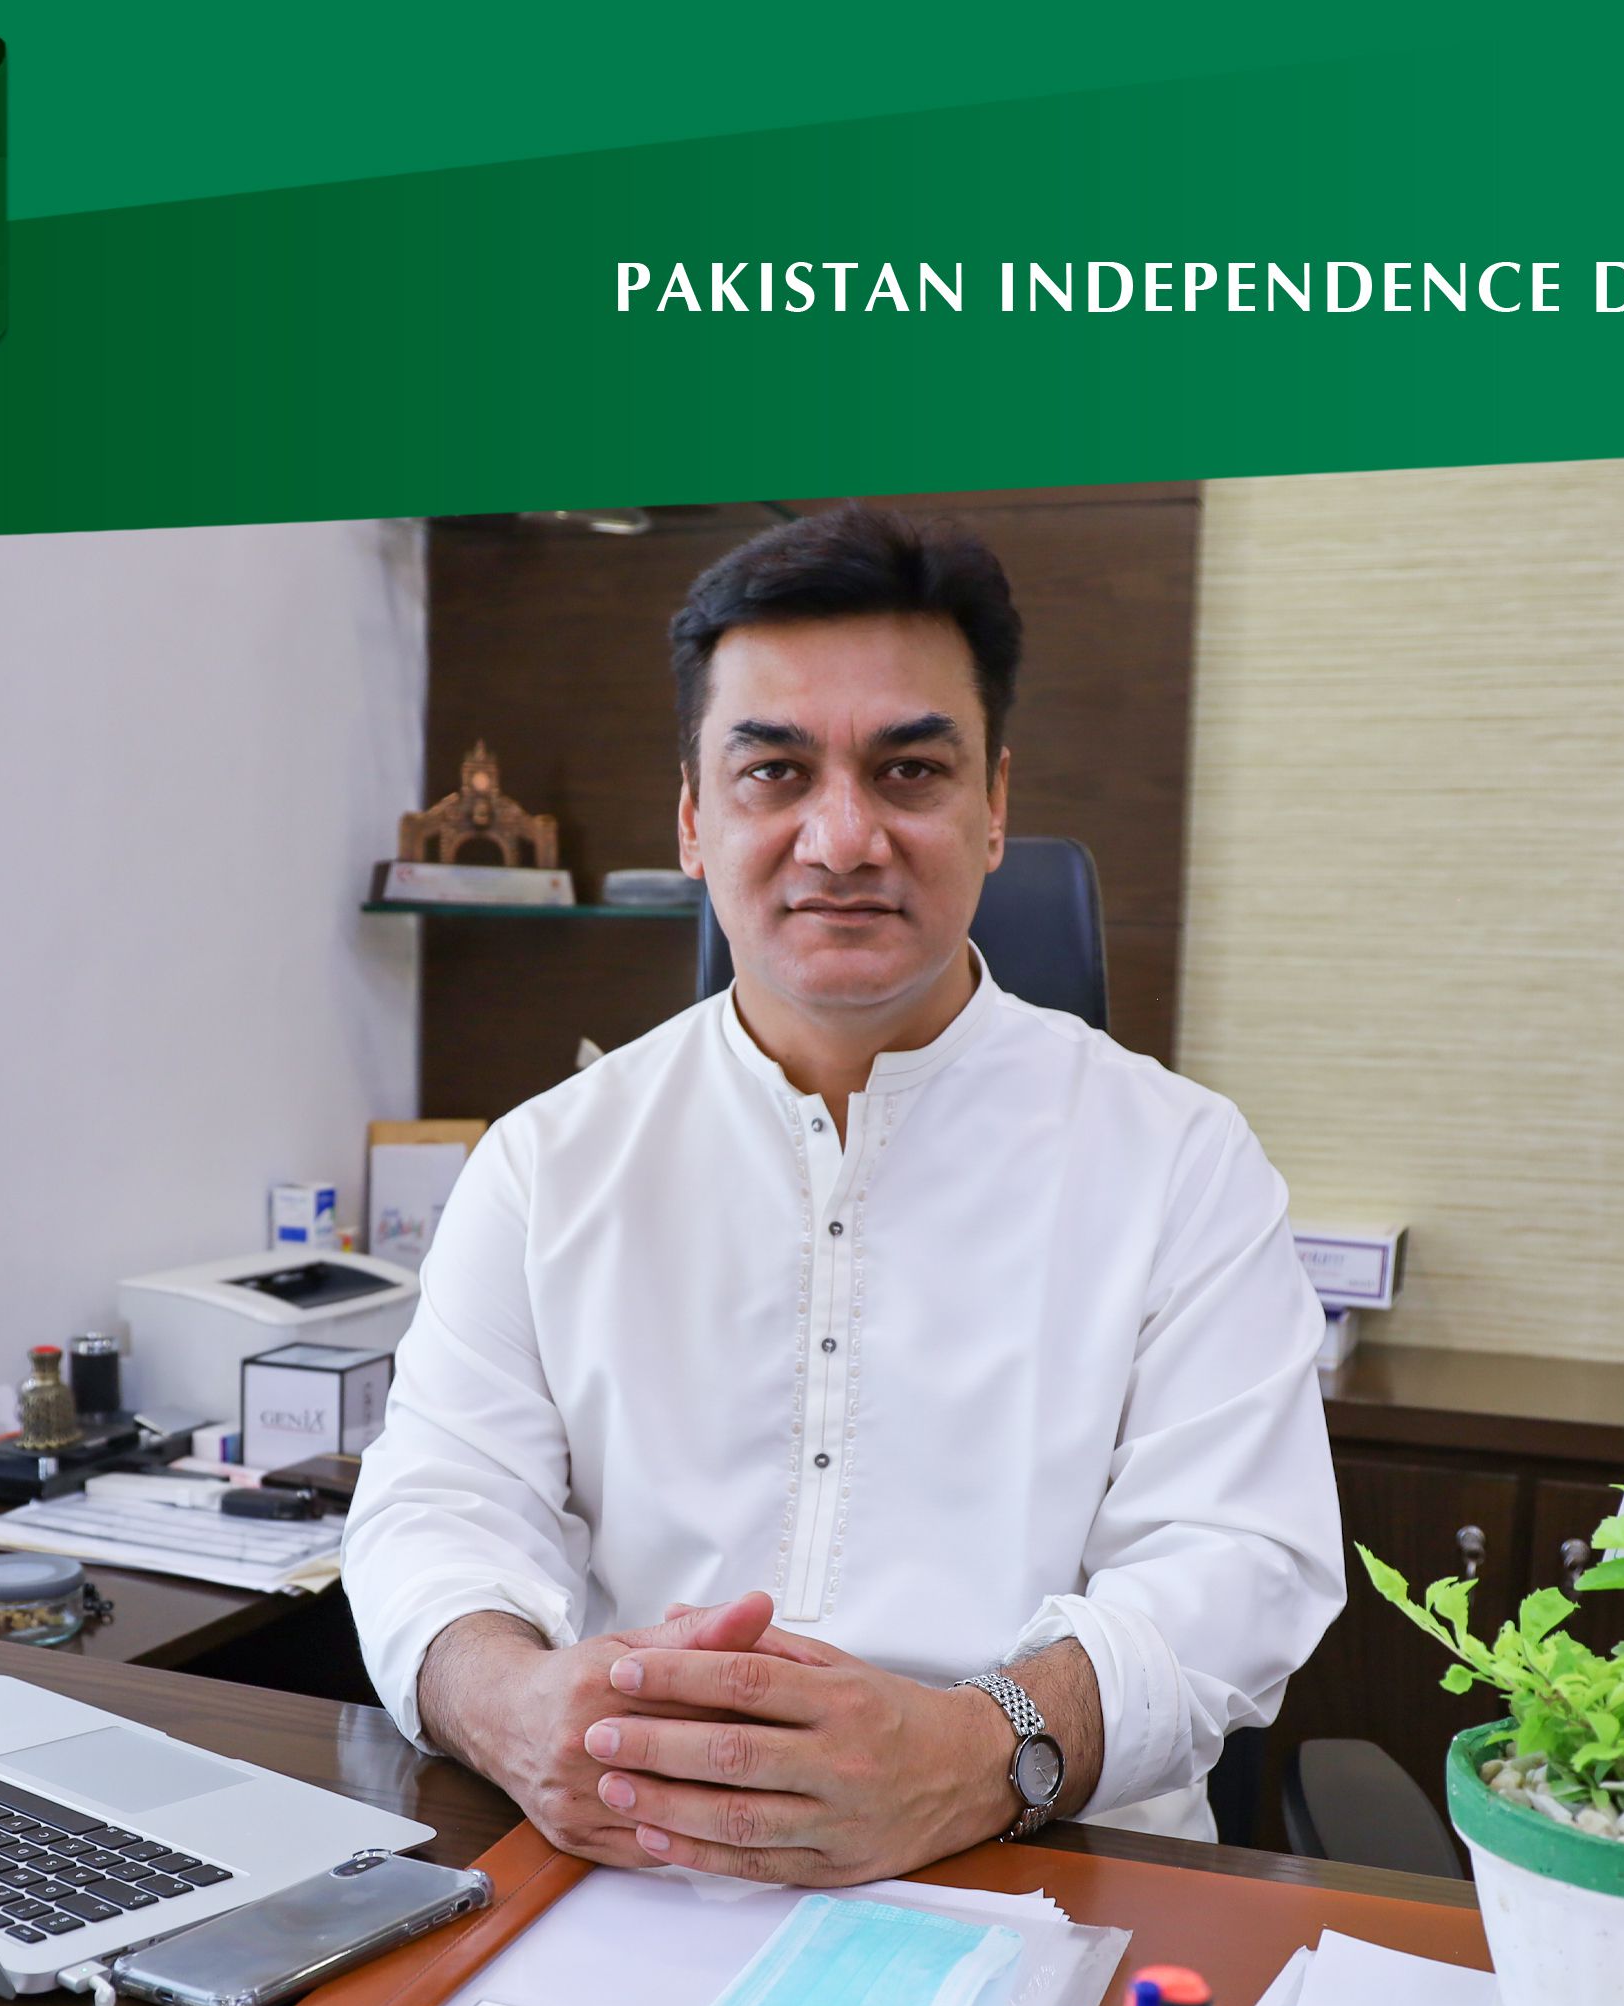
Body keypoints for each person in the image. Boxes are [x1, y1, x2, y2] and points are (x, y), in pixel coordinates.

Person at [342, 505, 1341, 1884]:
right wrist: (508, 1702)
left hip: (1051, 1867)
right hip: (640, 1869)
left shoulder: (1182, 1160)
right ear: (694, 820)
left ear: (994, 807)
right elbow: (432, 1510)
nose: (843, 836)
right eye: (775, 772)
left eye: (910, 770)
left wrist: (974, 1749)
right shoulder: (545, 1160)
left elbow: (1241, 1563)